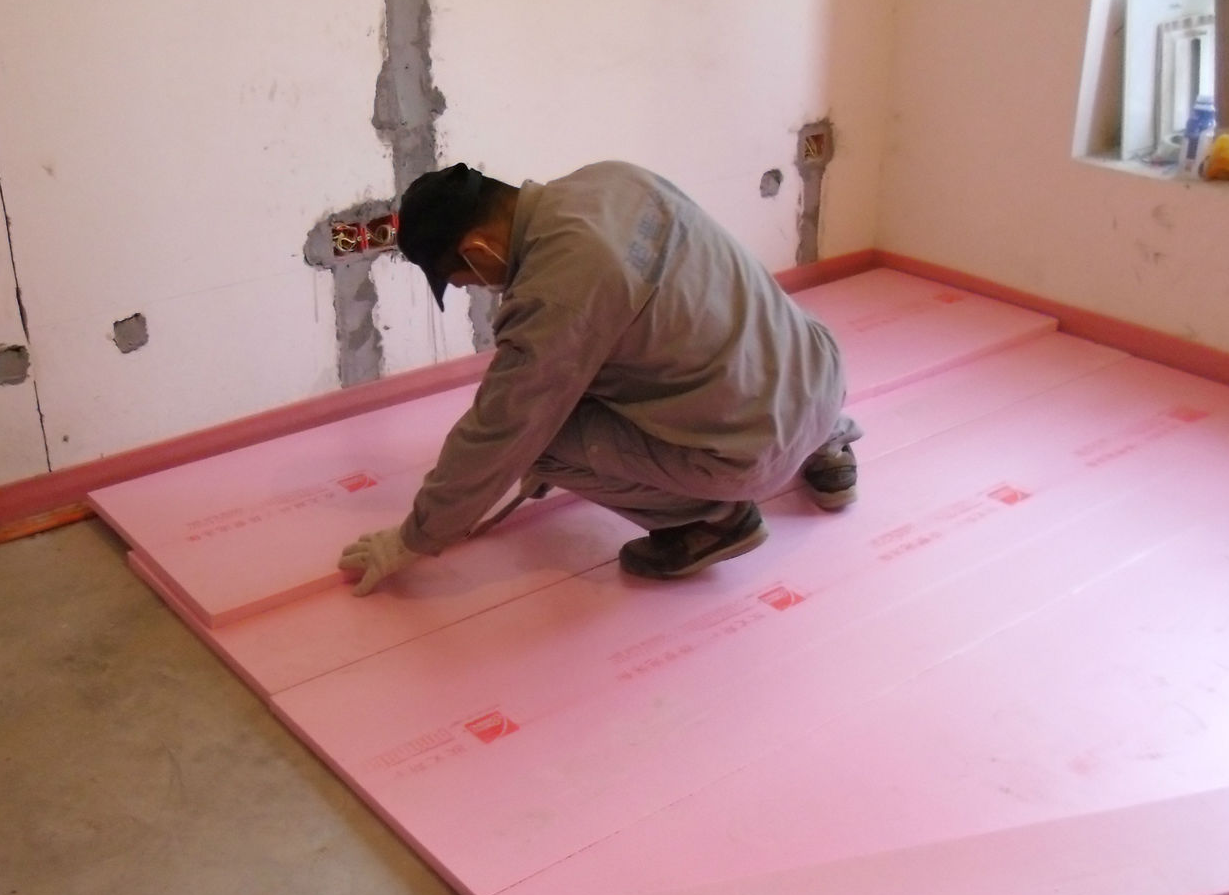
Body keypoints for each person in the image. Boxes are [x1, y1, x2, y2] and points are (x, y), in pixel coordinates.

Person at [337, 160, 859, 595]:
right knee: (718, 320)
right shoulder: (612, 180)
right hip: (819, 371)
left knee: (538, 440)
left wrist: (414, 537)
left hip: (753, 450)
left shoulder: (554, 294)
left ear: (477, 250)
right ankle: (828, 441)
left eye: (465, 281)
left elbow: (500, 429)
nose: (479, 288)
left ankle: (709, 523)